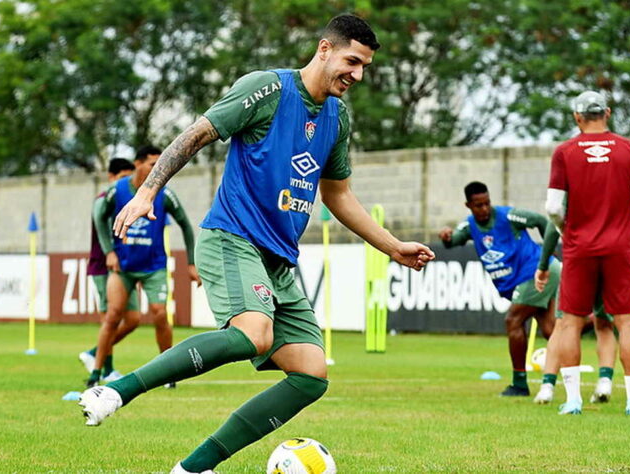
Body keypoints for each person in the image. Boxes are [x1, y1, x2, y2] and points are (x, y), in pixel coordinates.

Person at [77, 14, 434, 474]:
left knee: (311, 373)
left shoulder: (338, 118)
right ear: (324, 49)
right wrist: (149, 191)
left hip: (278, 261)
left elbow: (339, 194)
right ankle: (115, 389)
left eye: (364, 66)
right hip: (232, 237)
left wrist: (391, 246)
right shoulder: (267, 89)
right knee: (253, 333)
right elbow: (197, 134)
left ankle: (193, 468)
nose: (357, 74)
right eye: (352, 61)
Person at [541, 90, 630, 416]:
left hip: (579, 247)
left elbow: (553, 207)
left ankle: (573, 400)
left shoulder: (564, 152)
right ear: (607, 113)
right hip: (620, 246)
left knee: (569, 323)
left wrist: (568, 230)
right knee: (627, 324)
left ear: (577, 117)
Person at [84, 145, 201, 388]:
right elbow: (99, 216)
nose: (157, 168)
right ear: (138, 164)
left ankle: (168, 372)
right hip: (123, 267)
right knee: (113, 316)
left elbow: (186, 225)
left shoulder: (164, 193)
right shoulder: (117, 191)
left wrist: (191, 263)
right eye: (152, 163)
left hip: (154, 267)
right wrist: (109, 253)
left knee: (159, 314)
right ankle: (96, 374)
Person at [438, 181, 559, 397]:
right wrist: (446, 237)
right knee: (552, 330)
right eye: (478, 205)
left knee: (513, 321)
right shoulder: (469, 226)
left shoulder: (509, 216)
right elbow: (454, 240)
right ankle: (596, 321)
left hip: (534, 273)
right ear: (468, 205)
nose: (484, 209)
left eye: (487, 203)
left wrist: (546, 255)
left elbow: (543, 221)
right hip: (527, 277)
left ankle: (519, 384)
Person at [533, 218, 630, 405]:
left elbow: (553, 221)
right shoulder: (620, 188)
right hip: (613, 258)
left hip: (579, 257)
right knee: (612, 324)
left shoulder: (574, 188)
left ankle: (550, 389)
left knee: (564, 326)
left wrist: (543, 265)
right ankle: (608, 384)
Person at [78, 158, 141, 383]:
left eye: (129, 176)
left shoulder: (130, 198)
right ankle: (107, 370)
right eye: (122, 176)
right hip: (103, 266)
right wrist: (108, 253)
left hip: (125, 267)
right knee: (110, 318)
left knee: (133, 319)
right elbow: (100, 223)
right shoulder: (105, 198)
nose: (126, 181)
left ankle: (94, 353)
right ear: (111, 177)